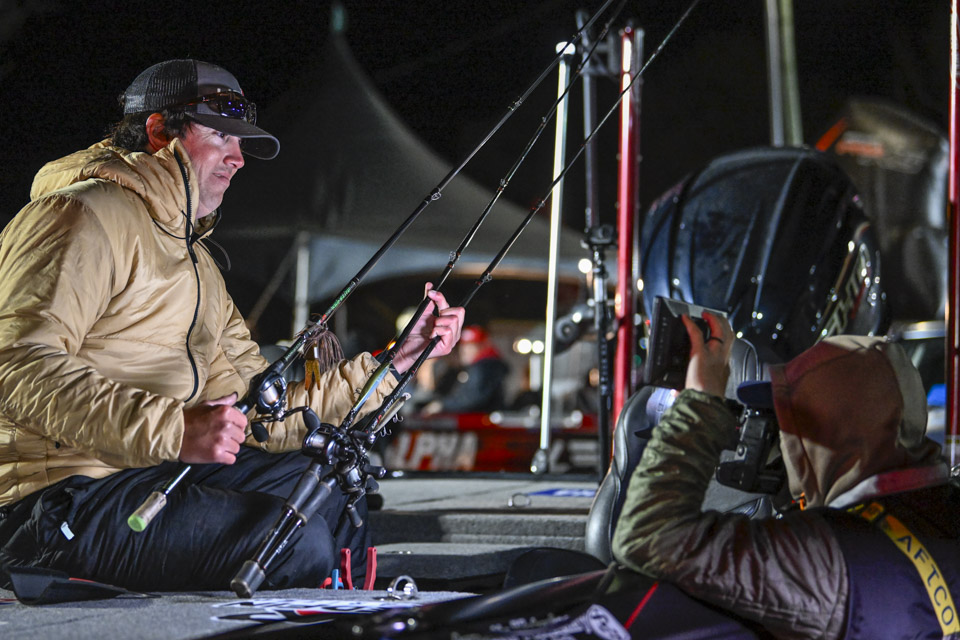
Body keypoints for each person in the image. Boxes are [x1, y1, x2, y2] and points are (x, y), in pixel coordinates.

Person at [0, 59, 464, 592]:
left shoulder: (197, 262)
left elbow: (264, 411)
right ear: (159, 130)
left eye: (241, 142)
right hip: (59, 498)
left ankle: (360, 618)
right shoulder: (79, 215)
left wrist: (397, 362)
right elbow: (17, 366)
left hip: (153, 472)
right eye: (221, 135)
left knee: (327, 487)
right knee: (292, 541)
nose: (238, 157)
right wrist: (177, 429)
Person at [612, 311, 959, 639]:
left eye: (790, 423)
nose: (780, 440)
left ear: (832, 434)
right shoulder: (942, 507)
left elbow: (647, 535)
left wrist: (700, 402)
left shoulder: (824, 554)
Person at [421, 325, 509, 415]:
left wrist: (442, 405)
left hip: (479, 420)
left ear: (482, 347)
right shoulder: (474, 367)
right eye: (463, 345)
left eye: (470, 346)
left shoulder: (484, 368)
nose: (464, 351)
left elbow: (471, 398)